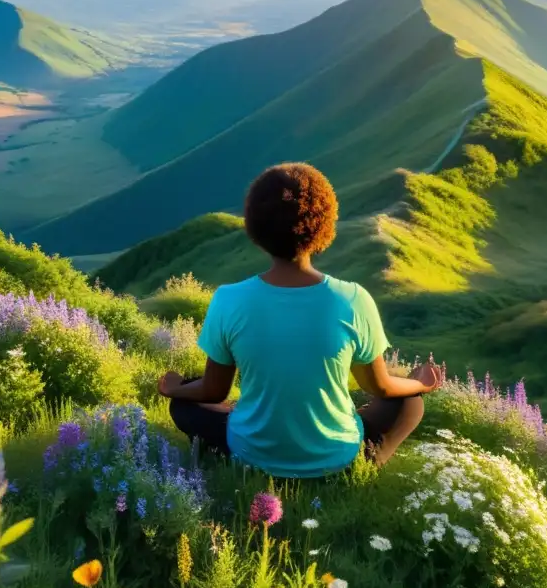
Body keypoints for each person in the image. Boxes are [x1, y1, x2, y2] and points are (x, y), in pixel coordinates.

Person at [157, 162, 444, 479]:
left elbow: (213, 391)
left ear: (255, 228)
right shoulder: (353, 298)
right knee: (410, 403)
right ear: (324, 224)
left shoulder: (229, 299)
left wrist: (174, 389)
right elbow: (380, 386)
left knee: (185, 403)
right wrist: (420, 381)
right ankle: (356, 460)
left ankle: (249, 443)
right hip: (337, 456)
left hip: (252, 453)